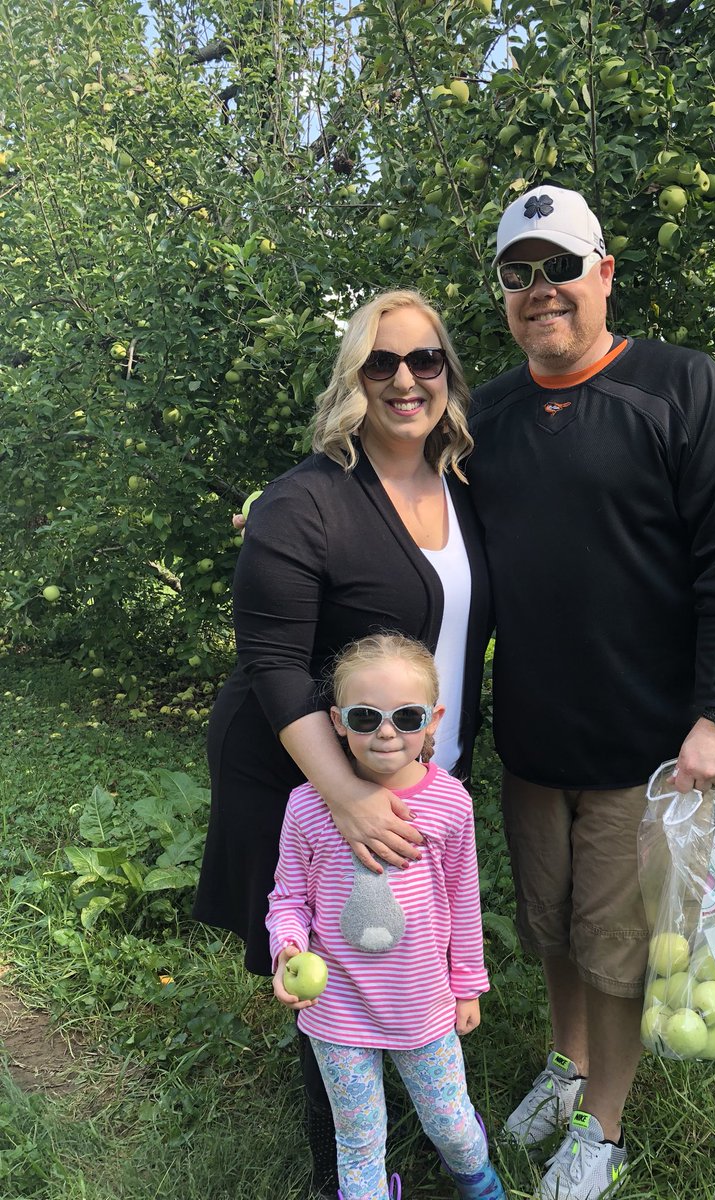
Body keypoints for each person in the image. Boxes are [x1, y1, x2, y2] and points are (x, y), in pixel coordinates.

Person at [457, 183, 715, 1199]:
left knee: (614, 943)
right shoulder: (490, 417)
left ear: (605, 273)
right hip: (537, 737)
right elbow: (415, 521)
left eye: (560, 266)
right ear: (504, 295)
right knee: (549, 926)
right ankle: (568, 1063)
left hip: (649, 752)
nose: (541, 289)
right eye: (520, 273)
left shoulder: (683, 390)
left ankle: (604, 1127)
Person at [192, 290, 493, 1196]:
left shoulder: (463, 488)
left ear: (448, 372)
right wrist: (345, 795)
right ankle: (348, 1178)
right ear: (353, 378)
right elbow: (275, 661)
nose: (406, 380)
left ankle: (400, 1138)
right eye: (382, 362)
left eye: (425, 359)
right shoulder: (305, 501)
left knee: (396, 953)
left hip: (406, 763)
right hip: (308, 767)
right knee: (334, 977)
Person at [267, 633, 504, 1200]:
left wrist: (467, 986)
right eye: (366, 716)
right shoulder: (307, 806)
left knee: (449, 1121)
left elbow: (463, 901)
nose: (387, 732)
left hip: (422, 1004)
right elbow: (288, 897)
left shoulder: (450, 804)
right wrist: (289, 948)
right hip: (337, 1006)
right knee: (357, 1135)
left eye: (407, 715)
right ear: (337, 721)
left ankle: (479, 1182)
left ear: (434, 720)